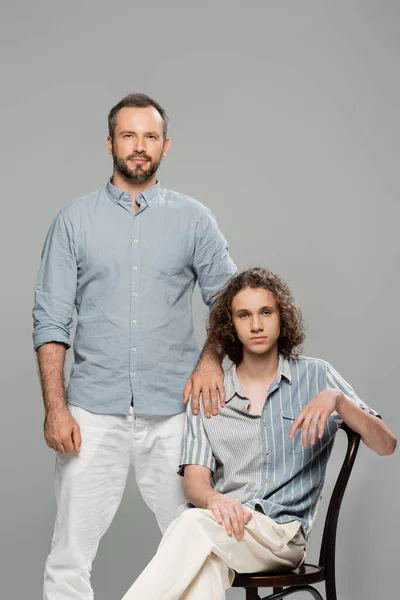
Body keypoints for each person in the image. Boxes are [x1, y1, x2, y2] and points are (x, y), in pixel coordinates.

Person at [32, 93, 237, 600]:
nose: (139, 147)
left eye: (149, 136)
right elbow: (51, 321)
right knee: (69, 556)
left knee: (194, 549)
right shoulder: (73, 222)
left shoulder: (195, 220)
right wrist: (55, 408)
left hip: (174, 411)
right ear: (110, 143)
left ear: (166, 145)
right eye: (128, 135)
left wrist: (211, 358)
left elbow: (232, 301)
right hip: (91, 412)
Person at [121, 267, 397, 600]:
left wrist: (339, 400)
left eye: (266, 312)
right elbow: (194, 482)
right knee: (201, 571)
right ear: (231, 325)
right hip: (224, 528)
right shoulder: (210, 393)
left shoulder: (316, 376)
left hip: (281, 538)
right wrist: (216, 500)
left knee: (191, 525)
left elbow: (386, 444)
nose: (256, 325)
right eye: (244, 314)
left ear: (282, 317)